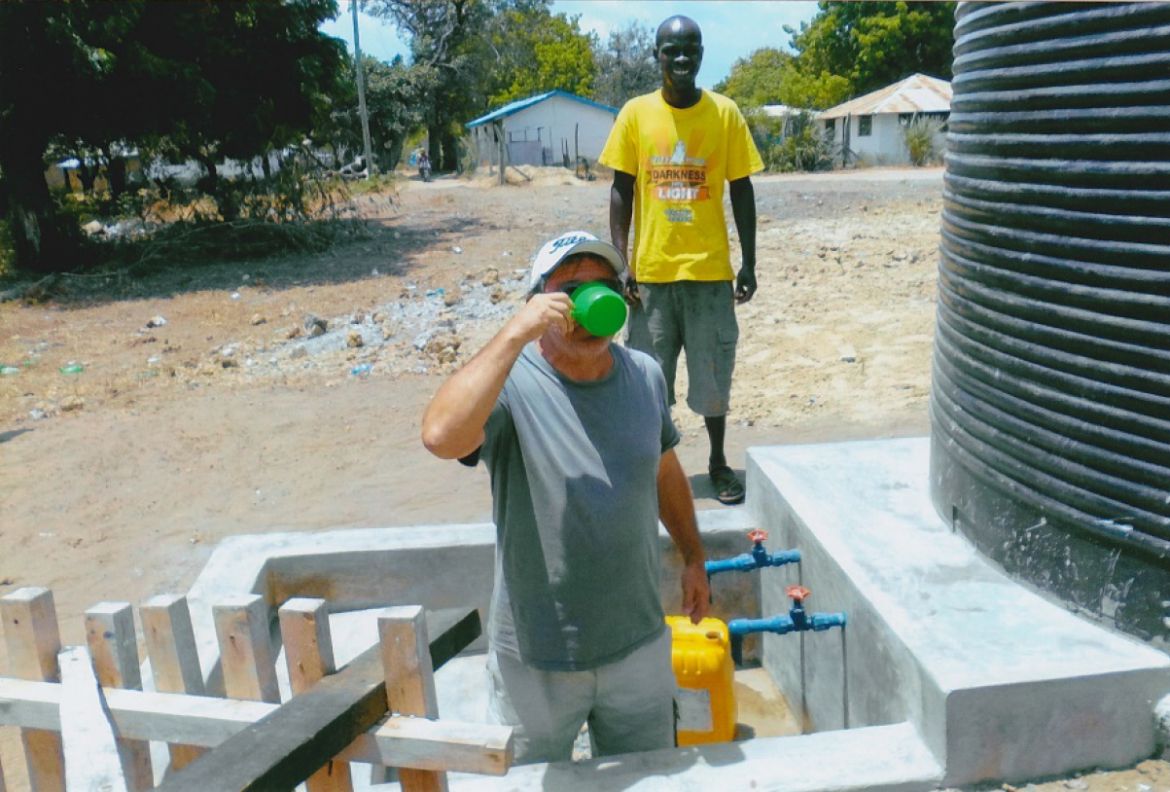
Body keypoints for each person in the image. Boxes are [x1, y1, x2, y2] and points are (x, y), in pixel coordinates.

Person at [421, 230, 710, 764]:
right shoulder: (508, 387)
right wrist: (513, 335)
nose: (593, 301)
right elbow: (441, 436)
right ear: (540, 300)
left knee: (646, 778)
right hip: (537, 659)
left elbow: (663, 467)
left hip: (638, 645)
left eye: (606, 286)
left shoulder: (644, 375)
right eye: (572, 288)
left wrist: (694, 555)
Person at [599, 14, 764, 506]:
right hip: (650, 278)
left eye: (690, 48)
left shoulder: (725, 113)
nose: (682, 58)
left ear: (701, 53)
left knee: (714, 375)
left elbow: (743, 189)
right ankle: (654, 470)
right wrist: (620, 263)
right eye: (672, 50)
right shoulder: (635, 114)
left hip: (710, 273)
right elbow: (620, 191)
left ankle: (717, 462)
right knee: (649, 384)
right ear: (657, 55)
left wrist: (749, 261)